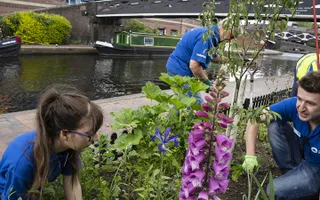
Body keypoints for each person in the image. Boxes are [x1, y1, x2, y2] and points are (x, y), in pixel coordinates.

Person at [0, 84, 104, 200]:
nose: (96, 138)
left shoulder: (69, 145)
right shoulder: (23, 164)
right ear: (64, 134)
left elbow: (72, 182)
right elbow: (11, 197)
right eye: (90, 134)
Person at [242, 71, 320, 199]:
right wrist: (250, 155)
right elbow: (254, 119)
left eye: (310, 103)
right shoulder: (293, 105)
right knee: (275, 124)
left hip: (316, 167)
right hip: (304, 154)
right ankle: (290, 173)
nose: (301, 107)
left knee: (273, 190)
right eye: (300, 99)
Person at [165, 18, 236, 103]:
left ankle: (173, 116)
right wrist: (207, 83)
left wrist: (231, 61)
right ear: (224, 28)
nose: (230, 39)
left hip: (180, 69)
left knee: (182, 102)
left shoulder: (213, 36)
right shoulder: (207, 37)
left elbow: (213, 57)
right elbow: (194, 66)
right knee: (195, 103)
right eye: (231, 35)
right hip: (179, 70)